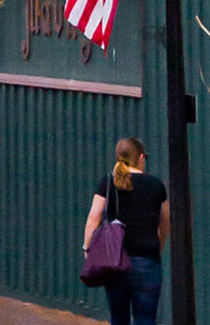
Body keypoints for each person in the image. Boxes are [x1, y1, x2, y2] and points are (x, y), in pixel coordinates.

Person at [84, 138, 167, 325]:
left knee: (118, 317)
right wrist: (159, 244)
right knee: (146, 318)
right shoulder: (155, 185)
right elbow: (165, 222)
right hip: (148, 261)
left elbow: (93, 217)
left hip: (115, 262)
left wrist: (87, 248)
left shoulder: (107, 183)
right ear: (140, 158)